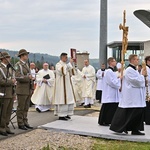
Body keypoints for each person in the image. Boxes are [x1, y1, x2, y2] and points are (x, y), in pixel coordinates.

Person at [110, 54, 146, 135]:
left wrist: (141, 77)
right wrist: (142, 76)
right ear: (132, 60)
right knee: (130, 113)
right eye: (136, 59)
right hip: (132, 96)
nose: (138, 61)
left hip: (136, 96)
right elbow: (135, 81)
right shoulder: (129, 70)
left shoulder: (134, 70)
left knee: (136, 113)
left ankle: (135, 129)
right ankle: (122, 127)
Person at [98, 57, 121, 126]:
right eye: (114, 61)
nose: (115, 62)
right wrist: (119, 81)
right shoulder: (108, 71)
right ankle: (105, 120)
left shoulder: (112, 72)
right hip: (109, 92)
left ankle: (108, 120)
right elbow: (111, 82)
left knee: (111, 107)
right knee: (108, 107)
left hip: (112, 92)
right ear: (110, 62)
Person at [15, 49, 33, 130]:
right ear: (22, 56)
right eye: (26, 55)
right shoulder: (17, 65)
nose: (27, 56)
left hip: (27, 89)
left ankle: (25, 121)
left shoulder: (26, 65)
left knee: (26, 107)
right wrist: (27, 77)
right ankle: (20, 123)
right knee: (21, 107)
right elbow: (17, 76)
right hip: (21, 89)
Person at [54, 53, 75, 121]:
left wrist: (71, 65)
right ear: (62, 57)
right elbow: (61, 71)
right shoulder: (58, 64)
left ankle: (67, 114)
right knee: (62, 99)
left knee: (68, 99)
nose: (66, 59)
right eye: (65, 57)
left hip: (67, 85)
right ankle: (61, 115)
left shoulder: (65, 65)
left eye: (67, 57)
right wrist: (68, 64)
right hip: (61, 86)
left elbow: (72, 73)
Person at [0, 52, 16, 136]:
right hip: (3, 93)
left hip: (10, 92)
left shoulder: (8, 68)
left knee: (8, 111)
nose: (9, 59)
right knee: (3, 112)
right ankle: (2, 128)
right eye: (8, 57)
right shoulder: (0, 68)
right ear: (3, 59)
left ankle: (6, 127)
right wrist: (11, 81)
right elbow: (1, 81)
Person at [142, 56, 150, 125]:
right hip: (147, 88)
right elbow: (146, 78)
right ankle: (147, 119)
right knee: (147, 104)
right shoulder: (145, 68)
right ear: (147, 61)